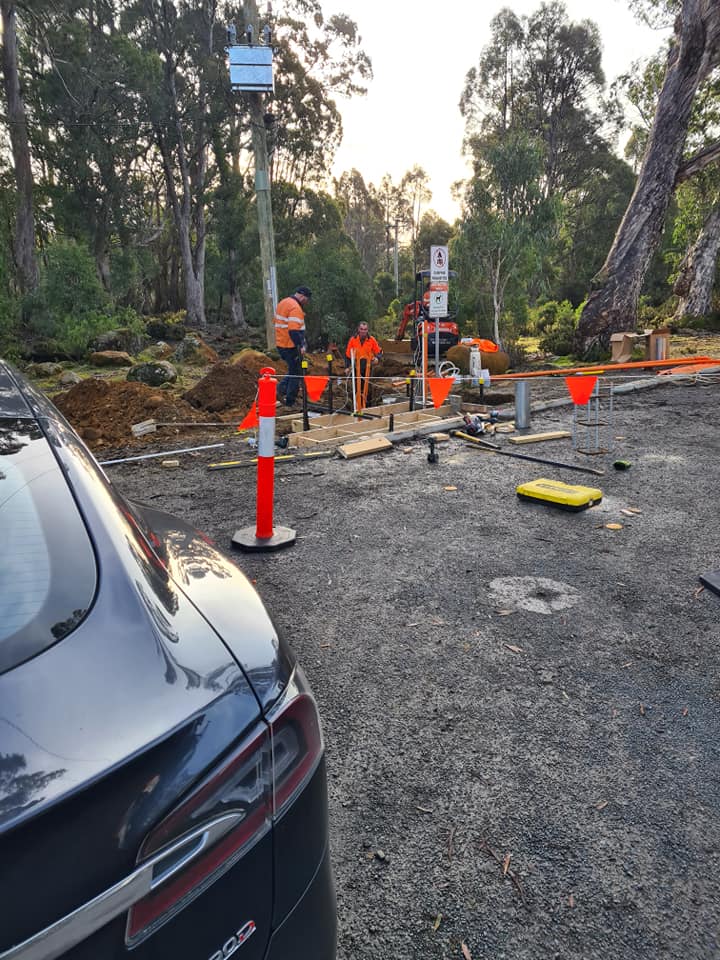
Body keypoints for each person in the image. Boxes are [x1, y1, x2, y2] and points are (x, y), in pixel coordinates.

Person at [275, 285, 311, 407]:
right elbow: (293, 330)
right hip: (289, 345)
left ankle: (280, 390)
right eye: (306, 300)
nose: (306, 303)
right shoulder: (295, 308)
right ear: (302, 296)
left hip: (281, 343)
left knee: (293, 370)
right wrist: (300, 345)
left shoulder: (283, 302)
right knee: (296, 372)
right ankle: (289, 400)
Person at [345, 321, 382, 410]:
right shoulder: (353, 340)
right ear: (358, 329)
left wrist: (377, 358)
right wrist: (347, 367)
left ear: (367, 330)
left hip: (368, 367)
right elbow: (347, 355)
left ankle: (367, 407)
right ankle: (356, 407)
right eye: (361, 329)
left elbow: (379, 352)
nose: (363, 331)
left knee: (368, 389)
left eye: (365, 329)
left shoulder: (371, 340)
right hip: (356, 366)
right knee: (356, 388)